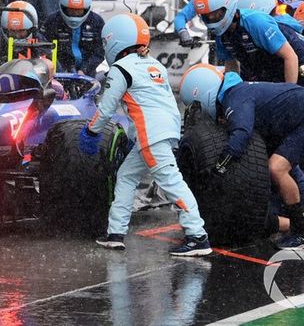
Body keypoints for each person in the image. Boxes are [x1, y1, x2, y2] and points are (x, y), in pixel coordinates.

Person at [184, 0, 304, 215]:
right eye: (206, 17)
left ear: (229, 7)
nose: (211, 20)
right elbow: (231, 68)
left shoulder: (255, 22)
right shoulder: (222, 35)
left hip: (299, 76)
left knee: (290, 148)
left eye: (215, 14)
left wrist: (288, 95)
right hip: (274, 82)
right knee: (301, 150)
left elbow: (290, 57)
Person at [81, 13, 211, 256]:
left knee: (171, 182)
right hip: (165, 130)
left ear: (115, 40)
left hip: (150, 134)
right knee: (126, 175)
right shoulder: (154, 65)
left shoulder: (121, 68)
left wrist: (90, 132)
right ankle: (115, 233)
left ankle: (197, 236)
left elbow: (106, 109)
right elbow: (152, 103)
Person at [178, 63, 304, 250]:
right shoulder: (237, 92)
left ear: (201, 92)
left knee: (276, 168)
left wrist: (219, 168)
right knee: (280, 164)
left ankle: (302, 232)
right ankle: (302, 220)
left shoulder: (235, 98)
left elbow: (241, 134)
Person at [40, 0, 104, 75]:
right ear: (64, 7)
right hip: (58, 73)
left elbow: (100, 50)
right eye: (71, 10)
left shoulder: (96, 22)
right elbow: (43, 46)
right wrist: (61, 68)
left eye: (79, 11)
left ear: (86, 8)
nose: (75, 14)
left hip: (87, 73)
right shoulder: (52, 21)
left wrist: (84, 69)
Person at [0, 1, 45, 72]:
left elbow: (47, 70)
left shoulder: (40, 43)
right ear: (5, 30)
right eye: (12, 31)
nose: (17, 36)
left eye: (21, 31)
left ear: (32, 30)